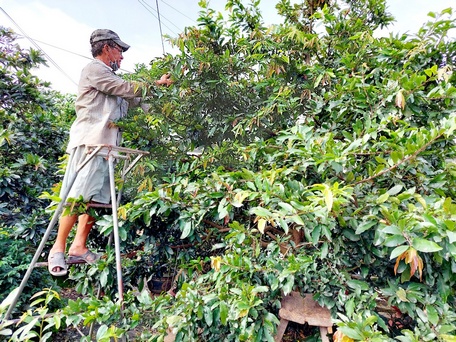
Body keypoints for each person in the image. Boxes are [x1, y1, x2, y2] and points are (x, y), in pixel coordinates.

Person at [47, 29, 172, 276]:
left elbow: (138, 100)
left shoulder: (116, 83)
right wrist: (152, 84)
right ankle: (57, 248)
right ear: (106, 48)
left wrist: (163, 93)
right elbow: (123, 87)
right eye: (119, 50)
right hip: (91, 144)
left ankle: (78, 246)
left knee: (97, 199)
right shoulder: (95, 70)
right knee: (78, 196)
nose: (122, 57)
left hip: (109, 149)